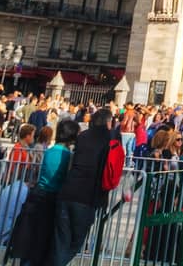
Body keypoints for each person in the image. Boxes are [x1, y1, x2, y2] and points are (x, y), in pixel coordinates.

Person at [50, 105, 123, 266]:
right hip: (88, 196)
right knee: (75, 243)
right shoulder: (112, 138)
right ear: (109, 122)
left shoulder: (82, 136)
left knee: (60, 241)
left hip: (68, 191)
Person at [8, 117, 77, 266]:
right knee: (42, 242)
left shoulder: (49, 151)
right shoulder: (68, 156)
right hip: (52, 199)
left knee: (30, 239)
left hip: (37, 194)